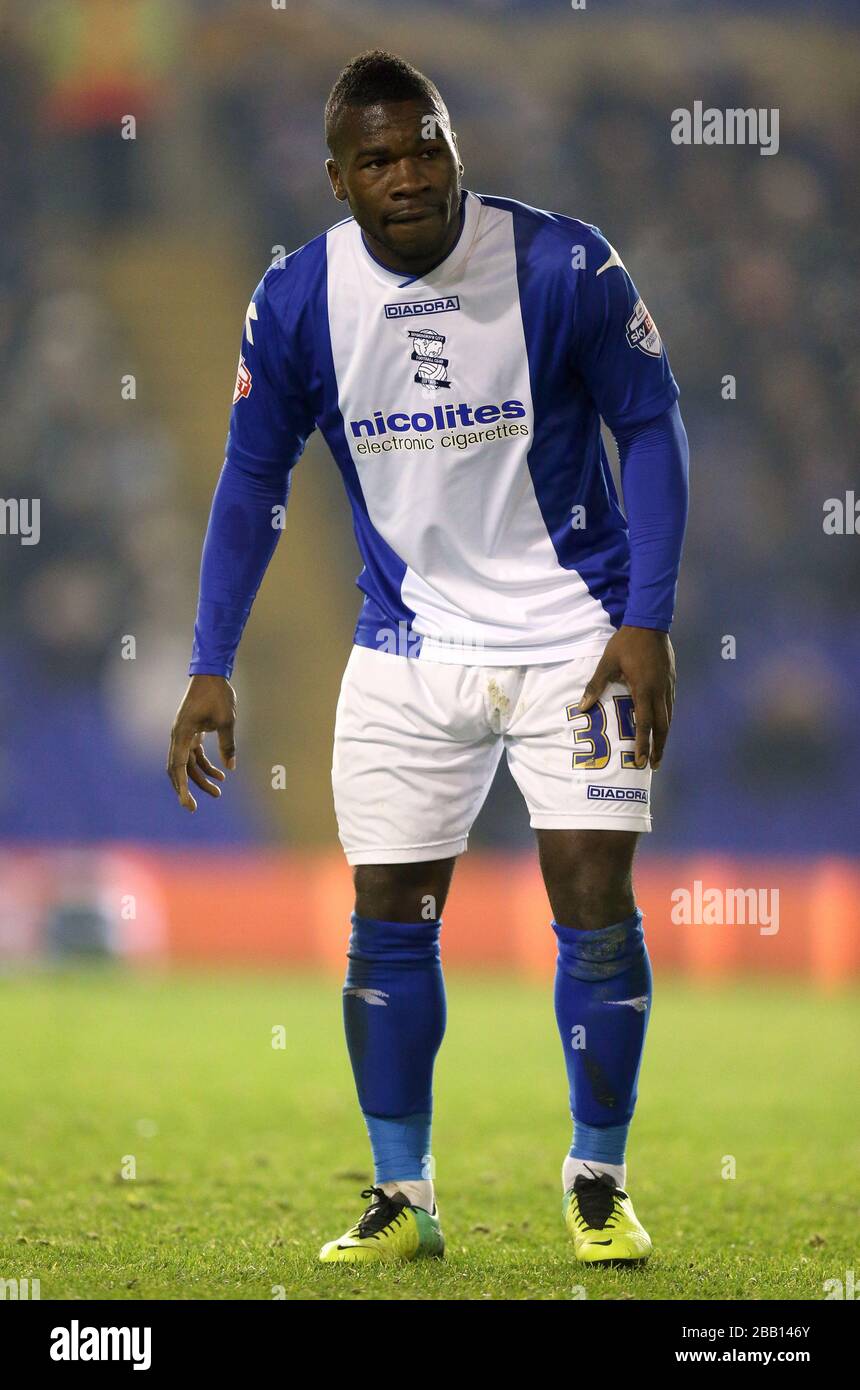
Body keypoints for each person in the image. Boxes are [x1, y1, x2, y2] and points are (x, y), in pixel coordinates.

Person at [167, 50, 689, 1267]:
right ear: (338, 179)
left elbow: (650, 424)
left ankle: (597, 1178)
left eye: (427, 146)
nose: (409, 174)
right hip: (403, 649)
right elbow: (251, 479)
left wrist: (646, 620)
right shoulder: (299, 299)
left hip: (578, 639)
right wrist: (210, 658)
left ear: (456, 148)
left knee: (592, 899)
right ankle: (402, 1193)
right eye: (379, 158)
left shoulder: (562, 263)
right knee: (387, 918)